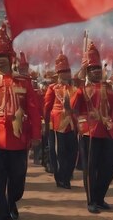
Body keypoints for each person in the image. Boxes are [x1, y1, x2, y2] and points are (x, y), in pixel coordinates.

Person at [0, 23, 42, 220]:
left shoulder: (23, 82)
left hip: (19, 139)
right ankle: (2, 214)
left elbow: (34, 110)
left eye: (1, 57)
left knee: (17, 181)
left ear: (10, 58)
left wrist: (36, 135)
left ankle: (12, 200)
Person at [71, 41, 113, 214]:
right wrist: (77, 85)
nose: (96, 71)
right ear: (87, 71)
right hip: (90, 132)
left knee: (109, 167)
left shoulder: (108, 88)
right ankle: (91, 201)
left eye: (97, 68)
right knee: (91, 168)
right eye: (92, 68)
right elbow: (72, 108)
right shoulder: (82, 89)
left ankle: (100, 197)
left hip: (108, 131)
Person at [43, 52, 78, 189]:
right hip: (56, 124)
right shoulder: (52, 88)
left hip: (71, 124)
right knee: (58, 152)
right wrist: (46, 124)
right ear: (58, 73)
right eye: (63, 71)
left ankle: (68, 175)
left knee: (73, 152)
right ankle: (61, 178)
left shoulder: (74, 88)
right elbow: (47, 107)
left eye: (68, 71)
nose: (66, 74)